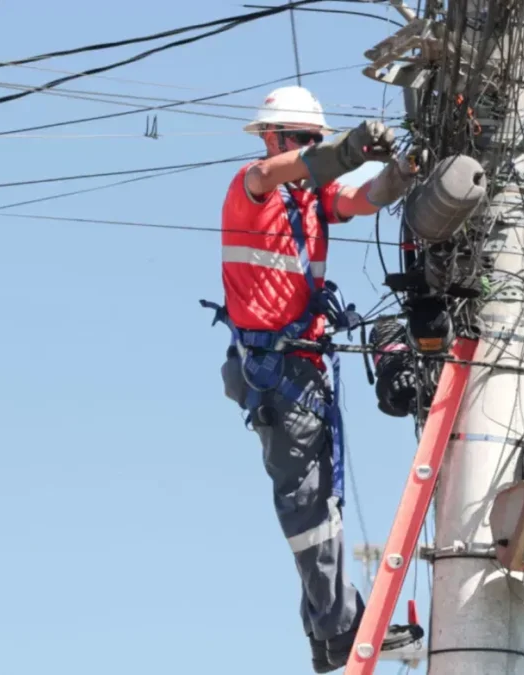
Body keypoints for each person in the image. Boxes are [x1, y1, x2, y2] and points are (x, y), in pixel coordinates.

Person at [215, 85, 421, 673]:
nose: (309, 148)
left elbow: (364, 198)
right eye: (301, 139)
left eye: (314, 138)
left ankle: (327, 633)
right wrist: (348, 147)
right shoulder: (249, 189)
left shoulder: (312, 198)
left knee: (319, 502)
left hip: (300, 370)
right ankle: (339, 627)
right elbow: (287, 170)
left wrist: (403, 171)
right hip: (276, 371)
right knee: (308, 506)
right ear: (273, 140)